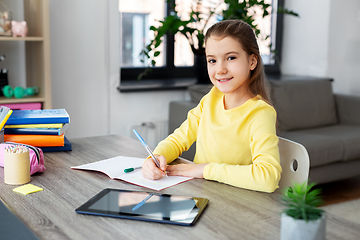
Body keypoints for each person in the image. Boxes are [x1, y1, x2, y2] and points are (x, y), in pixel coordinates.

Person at [142, 19, 282, 193]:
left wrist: (204, 169)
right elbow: (179, 138)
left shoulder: (260, 113)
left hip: (236, 203)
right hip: (202, 193)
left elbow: (267, 178)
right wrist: (157, 156)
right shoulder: (211, 99)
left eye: (231, 58)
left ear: (252, 61)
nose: (220, 69)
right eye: (212, 61)